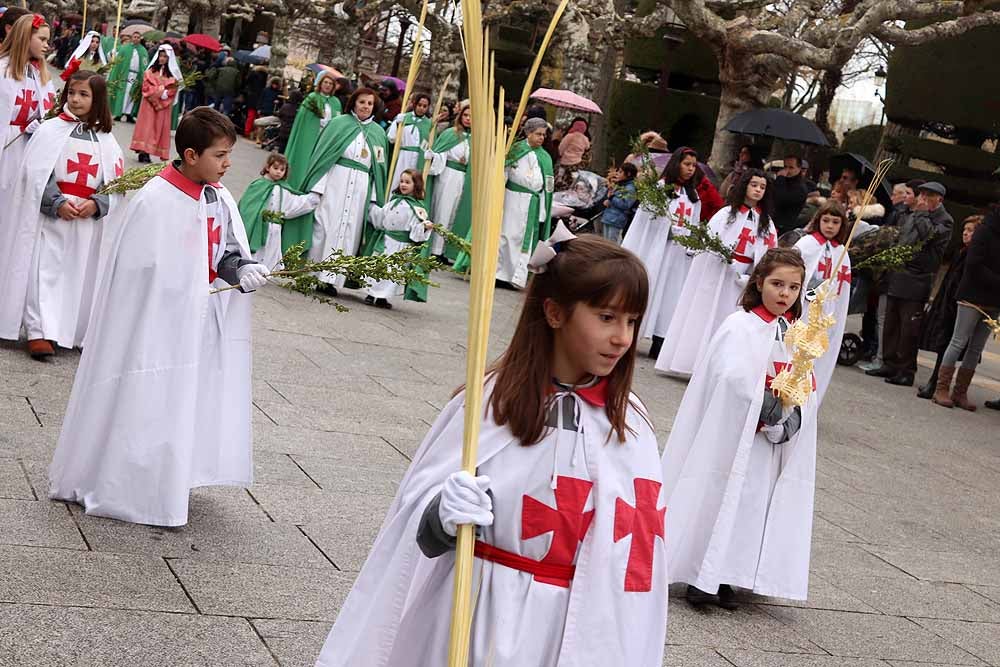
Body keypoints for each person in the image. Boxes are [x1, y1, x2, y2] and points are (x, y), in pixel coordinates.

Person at [313, 229, 667, 667]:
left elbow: (640, 548)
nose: (623, 339)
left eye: (632, 321)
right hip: (480, 610)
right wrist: (441, 511)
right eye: (607, 317)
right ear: (555, 312)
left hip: (575, 627)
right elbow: (415, 515)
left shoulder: (629, 422)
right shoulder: (489, 403)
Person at [47, 107, 270, 527]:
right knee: (148, 394)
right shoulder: (155, 200)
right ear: (190, 154)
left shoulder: (216, 196)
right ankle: (129, 479)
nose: (227, 165)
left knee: (185, 397)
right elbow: (136, 279)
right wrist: (174, 297)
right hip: (156, 327)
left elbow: (222, 252)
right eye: (220, 156)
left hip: (198, 322)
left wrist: (241, 268)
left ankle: (170, 472)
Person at [663, 247, 817, 609]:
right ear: (760, 281)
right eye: (778, 284)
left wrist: (788, 417)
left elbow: (804, 384)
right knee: (718, 495)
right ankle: (700, 574)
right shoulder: (740, 325)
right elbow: (730, 378)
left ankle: (729, 572)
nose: (785, 294)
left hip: (766, 442)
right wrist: (768, 407)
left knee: (749, 505)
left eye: (793, 288)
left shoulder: (795, 335)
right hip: (732, 435)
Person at [0, 71, 123, 359]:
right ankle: (38, 330)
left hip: (85, 220)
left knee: (75, 274)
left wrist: (98, 203)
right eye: (72, 93)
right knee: (43, 269)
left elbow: (116, 182)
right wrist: (55, 202)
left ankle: (68, 329)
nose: (76, 99)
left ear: (98, 100)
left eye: (84, 94)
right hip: (54, 215)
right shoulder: (50, 129)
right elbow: (35, 172)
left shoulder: (107, 140)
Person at [655, 168, 778, 378]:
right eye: (754, 185)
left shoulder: (766, 224)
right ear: (745, 186)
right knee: (708, 317)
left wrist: (752, 276)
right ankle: (696, 364)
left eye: (762, 187)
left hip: (742, 280)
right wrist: (721, 258)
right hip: (718, 275)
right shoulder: (726, 215)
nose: (758, 190)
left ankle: (720, 369)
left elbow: (769, 254)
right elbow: (709, 243)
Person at [284, 87, 387, 296]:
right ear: (354, 103)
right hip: (335, 182)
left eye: (369, 103)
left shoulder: (378, 133)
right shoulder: (338, 124)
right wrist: (317, 189)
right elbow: (324, 158)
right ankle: (310, 273)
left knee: (349, 231)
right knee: (324, 227)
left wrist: (375, 198)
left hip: (360, 187)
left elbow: (379, 168)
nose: (366, 106)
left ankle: (331, 278)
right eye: (362, 102)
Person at [867, 181, 953, 386]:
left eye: (927, 196)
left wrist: (922, 215)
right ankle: (889, 363)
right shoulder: (912, 214)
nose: (922, 199)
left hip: (918, 279)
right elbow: (902, 240)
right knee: (891, 323)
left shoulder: (945, 220)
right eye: (921, 195)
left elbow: (929, 237)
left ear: (938, 199)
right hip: (898, 274)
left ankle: (906, 370)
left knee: (909, 328)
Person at [624, 148, 703, 359]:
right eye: (687, 164)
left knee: (671, 296)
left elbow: (693, 225)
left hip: (678, 256)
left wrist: (691, 242)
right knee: (651, 290)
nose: (690, 169)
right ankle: (633, 335)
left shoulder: (693, 197)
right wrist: (666, 229)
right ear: (676, 164)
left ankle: (660, 341)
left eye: (693, 166)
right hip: (659, 252)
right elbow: (645, 221)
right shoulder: (659, 190)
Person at [931, 207, 999, 410]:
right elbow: (974, 264)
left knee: (976, 347)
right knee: (958, 341)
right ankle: (941, 389)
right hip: (972, 295)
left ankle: (960, 392)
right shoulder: (985, 230)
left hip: (995, 300)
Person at [792, 202, 852, 404]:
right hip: (805, 309)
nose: (830, 226)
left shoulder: (842, 253)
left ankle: (805, 400)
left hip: (825, 314)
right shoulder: (806, 244)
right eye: (826, 220)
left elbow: (841, 289)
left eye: (836, 222)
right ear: (818, 220)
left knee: (815, 355)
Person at [917, 216, 981, 399]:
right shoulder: (960, 251)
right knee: (943, 345)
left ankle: (941, 386)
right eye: (965, 230)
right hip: (947, 303)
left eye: (971, 231)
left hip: (958, 305)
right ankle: (935, 383)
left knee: (951, 345)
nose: (966, 234)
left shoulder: (973, 255)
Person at [493, 116, 554, 288]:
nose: (541, 138)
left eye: (544, 135)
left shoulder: (546, 158)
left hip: (532, 203)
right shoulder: (516, 149)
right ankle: (499, 273)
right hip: (512, 199)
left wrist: (543, 208)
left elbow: (547, 187)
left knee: (524, 240)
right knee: (507, 235)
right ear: (528, 133)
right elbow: (503, 172)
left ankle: (515, 277)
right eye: (538, 134)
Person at [0, 15, 56, 200]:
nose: (47, 45)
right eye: (42, 39)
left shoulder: (40, 74)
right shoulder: (3, 71)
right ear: (24, 37)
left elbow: (49, 108)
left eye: (48, 40)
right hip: (8, 144)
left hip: (31, 145)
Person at [362, 169, 433, 308]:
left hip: (401, 246)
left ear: (416, 185)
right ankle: (371, 294)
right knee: (378, 267)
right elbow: (380, 216)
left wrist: (424, 227)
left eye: (407, 182)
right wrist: (371, 208)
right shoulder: (393, 202)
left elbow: (417, 229)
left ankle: (383, 297)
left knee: (393, 271)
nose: (403, 184)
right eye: (401, 181)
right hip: (386, 242)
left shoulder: (418, 208)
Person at [238, 152, 320, 269]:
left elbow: (292, 205)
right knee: (255, 254)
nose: (278, 172)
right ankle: (249, 267)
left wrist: (312, 199)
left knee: (270, 252)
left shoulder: (283, 189)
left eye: (282, 170)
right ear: (268, 167)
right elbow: (247, 206)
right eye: (275, 168)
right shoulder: (257, 185)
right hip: (257, 226)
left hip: (274, 228)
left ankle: (265, 271)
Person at [425, 99, 471, 263]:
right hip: (448, 175)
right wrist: (434, 156)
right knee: (443, 211)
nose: (468, 119)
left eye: (471, 116)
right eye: (465, 115)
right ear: (460, 116)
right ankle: (435, 249)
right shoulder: (451, 133)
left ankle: (447, 250)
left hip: (464, 178)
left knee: (455, 213)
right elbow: (440, 152)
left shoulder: (476, 139)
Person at [283, 72, 339, 186]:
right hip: (310, 134)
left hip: (326, 137)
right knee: (305, 159)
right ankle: (297, 182)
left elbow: (337, 120)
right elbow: (303, 117)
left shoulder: (336, 102)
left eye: (330, 83)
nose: (327, 85)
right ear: (320, 83)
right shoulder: (312, 97)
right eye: (325, 82)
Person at [130, 44, 182, 163]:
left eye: (165, 56)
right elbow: (145, 87)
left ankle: (149, 151)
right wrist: (160, 92)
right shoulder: (149, 72)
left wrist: (166, 93)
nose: (162, 58)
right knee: (146, 127)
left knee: (157, 128)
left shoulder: (173, 77)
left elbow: (173, 90)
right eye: (160, 56)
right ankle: (143, 152)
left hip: (163, 106)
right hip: (148, 105)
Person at [386, 92, 432, 191]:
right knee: (398, 179)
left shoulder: (429, 124)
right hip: (403, 156)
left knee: (413, 182)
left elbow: (430, 143)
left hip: (418, 158)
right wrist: (397, 124)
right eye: (419, 105)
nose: (421, 108)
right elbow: (391, 138)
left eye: (425, 106)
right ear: (414, 104)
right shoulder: (404, 118)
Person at [771, 154, 820, 235]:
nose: (787, 170)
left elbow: (780, 199)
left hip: (782, 228)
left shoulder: (800, 188)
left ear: (799, 168)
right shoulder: (784, 181)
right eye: (785, 167)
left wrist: (780, 179)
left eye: (791, 167)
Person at [107, 32, 148, 122]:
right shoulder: (125, 48)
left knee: (132, 95)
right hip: (125, 74)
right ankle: (119, 113)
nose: (136, 38)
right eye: (134, 37)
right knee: (123, 93)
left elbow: (145, 64)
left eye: (138, 37)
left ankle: (129, 113)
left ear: (140, 38)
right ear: (131, 37)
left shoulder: (143, 51)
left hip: (137, 76)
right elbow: (118, 61)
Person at [600, 161, 637, 245]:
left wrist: (612, 198)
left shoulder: (630, 188)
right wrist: (609, 200)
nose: (617, 174)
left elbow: (626, 205)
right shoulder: (620, 185)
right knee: (606, 244)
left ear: (628, 174)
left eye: (620, 172)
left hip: (616, 220)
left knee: (613, 245)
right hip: (609, 217)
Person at [554, 117, 591, 190]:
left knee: (561, 170)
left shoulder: (569, 136)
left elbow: (561, 147)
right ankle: (573, 183)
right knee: (573, 176)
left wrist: (560, 154)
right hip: (577, 162)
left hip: (565, 160)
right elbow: (587, 147)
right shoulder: (585, 139)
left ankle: (559, 178)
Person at [274, 88, 302, 154]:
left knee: (281, 150)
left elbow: (279, 115)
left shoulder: (285, 106)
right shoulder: (299, 109)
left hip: (283, 130)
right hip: (292, 133)